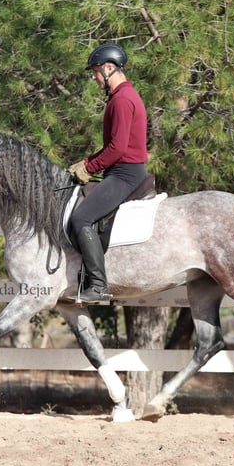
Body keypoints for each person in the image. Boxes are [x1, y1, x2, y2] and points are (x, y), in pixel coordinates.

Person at [67, 43, 150, 304]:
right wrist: (86, 162)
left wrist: (89, 168)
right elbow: (112, 147)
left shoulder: (123, 100)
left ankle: (99, 285)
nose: (93, 77)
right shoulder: (121, 97)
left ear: (109, 68)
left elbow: (117, 149)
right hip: (121, 170)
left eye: (95, 71)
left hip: (126, 175)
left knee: (80, 218)